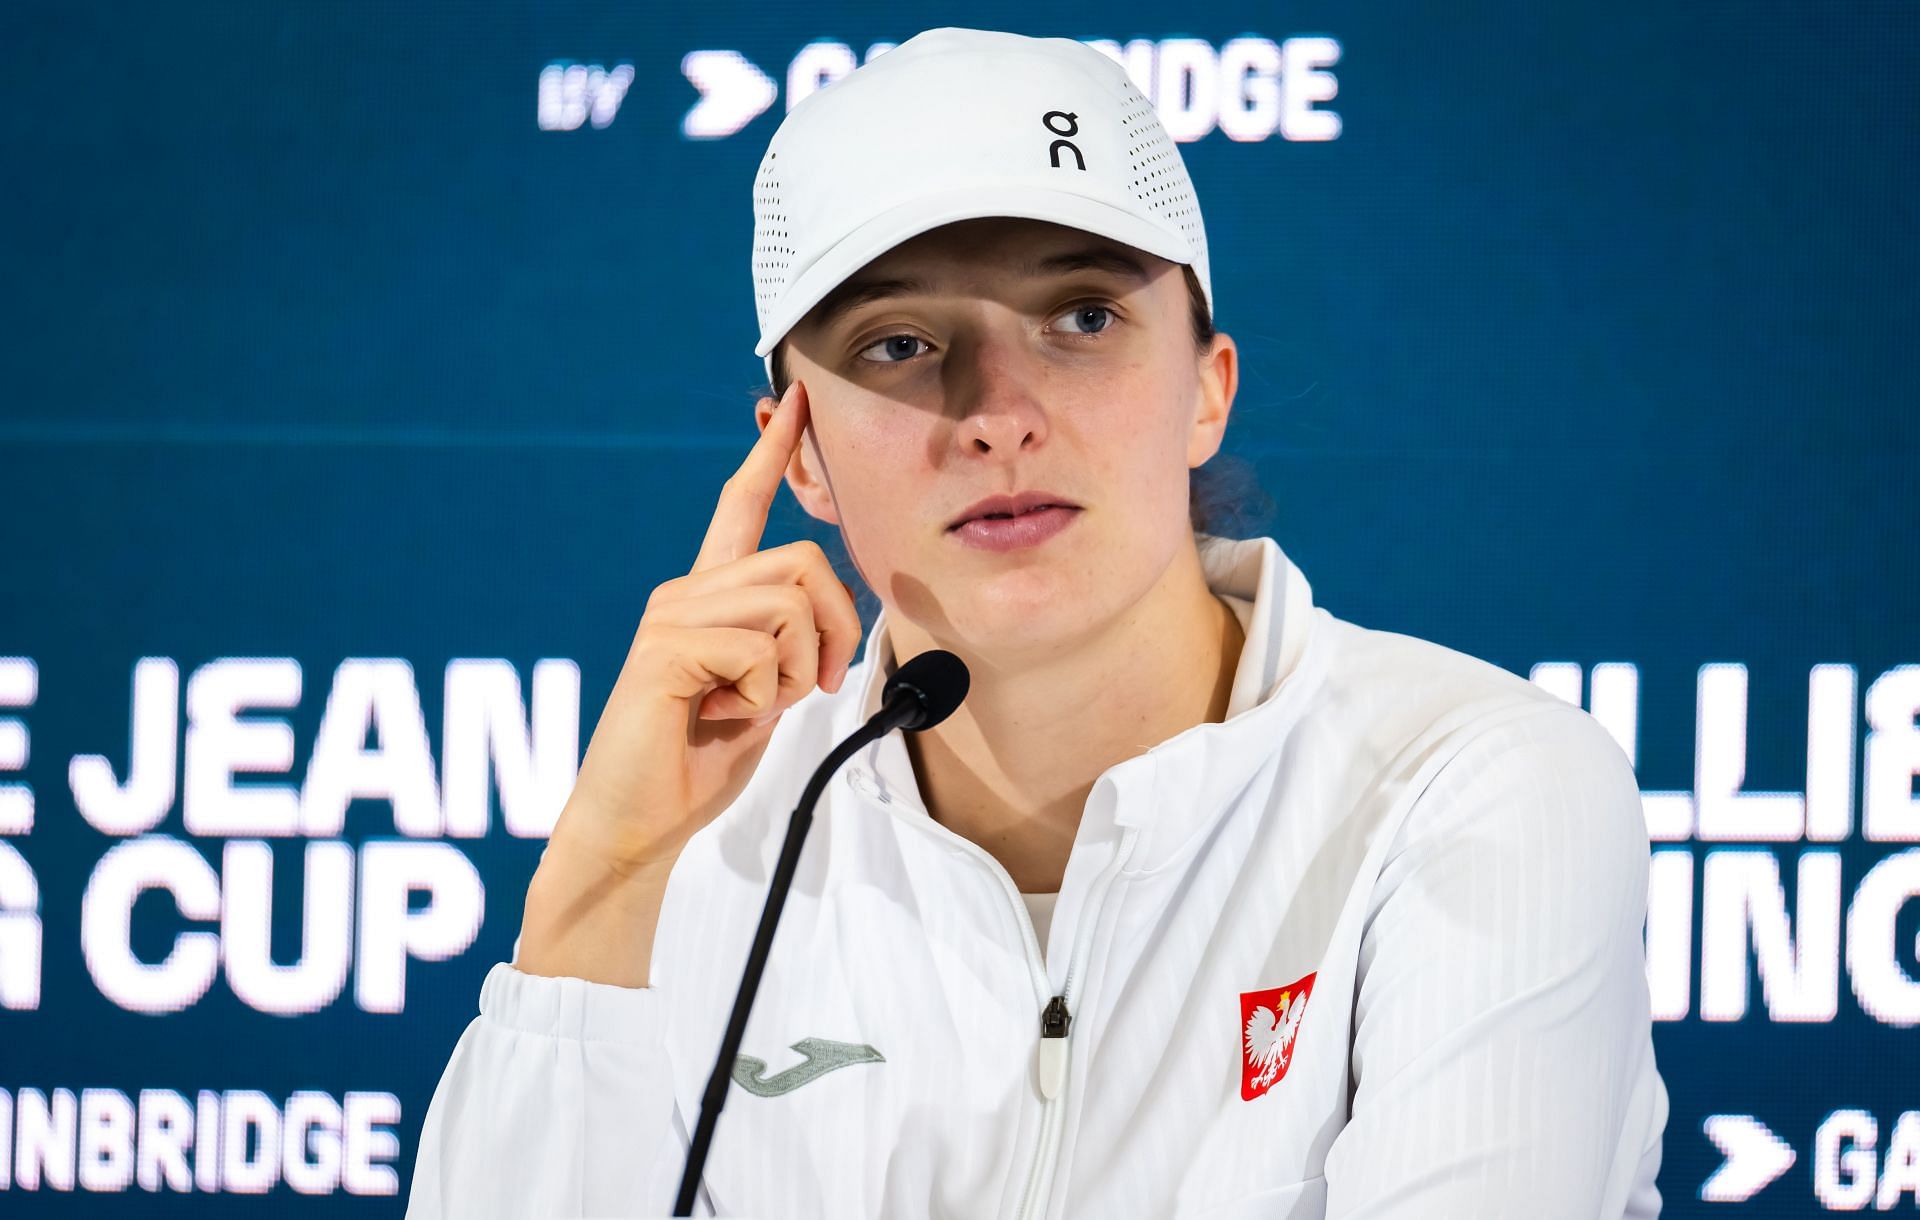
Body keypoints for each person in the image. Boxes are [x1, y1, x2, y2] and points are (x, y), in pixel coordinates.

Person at [406, 26, 1668, 1219]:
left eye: (1082, 317)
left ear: (1206, 390)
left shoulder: (1467, 788)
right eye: (900, 342)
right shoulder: (705, 854)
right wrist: (599, 896)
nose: (998, 411)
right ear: (802, 457)